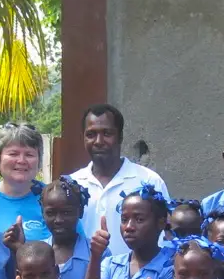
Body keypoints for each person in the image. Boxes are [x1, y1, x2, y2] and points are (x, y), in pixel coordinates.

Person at [71, 104, 170, 258]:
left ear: (120, 137)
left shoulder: (149, 181)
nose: (98, 141)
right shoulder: (73, 184)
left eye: (107, 133)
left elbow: (165, 238)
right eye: (91, 134)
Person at [90, 184, 178, 279]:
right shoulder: (111, 264)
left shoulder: (170, 268)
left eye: (139, 219)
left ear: (160, 223)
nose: (129, 227)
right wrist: (95, 257)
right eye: (124, 220)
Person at [0, 122, 49, 242]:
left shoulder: (53, 198)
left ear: (39, 161)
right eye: (13, 154)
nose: (21, 160)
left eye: (29, 154)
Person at [41, 176, 92, 279]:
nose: (58, 220)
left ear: (80, 212)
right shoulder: (37, 251)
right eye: (51, 213)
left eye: (66, 212)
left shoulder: (96, 252)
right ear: (42, 214)